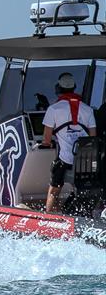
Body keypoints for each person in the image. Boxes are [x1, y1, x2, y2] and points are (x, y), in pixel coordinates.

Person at [41, 72, 97, 213]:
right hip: (84, 162)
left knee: (54, 190)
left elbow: (46, 140)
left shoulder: (53, 109)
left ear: (58, 89)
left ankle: (49, 216)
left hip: (65, 160)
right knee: (80, 185)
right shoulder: (88, 110)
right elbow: (93, 138)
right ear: (74, 88)